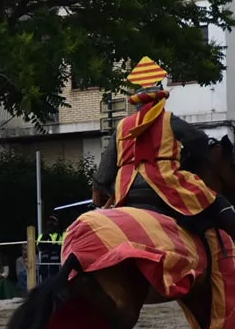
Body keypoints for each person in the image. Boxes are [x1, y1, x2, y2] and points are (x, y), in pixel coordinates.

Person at [93, 78, 235, 241]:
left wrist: (104, 188)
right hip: (165, 184)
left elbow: (104, 171)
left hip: (126, 192)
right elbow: (200, 140)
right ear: (160, 99)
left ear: (137, 103)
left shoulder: (122, 126)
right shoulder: (168, 119)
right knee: (217, 202)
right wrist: (181, 159)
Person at [36, 215, 64, 284]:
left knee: (55, 283)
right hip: (45, 264)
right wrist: (46, 235)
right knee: (44, 283)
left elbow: (62, 248)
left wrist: (50, 247)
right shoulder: (42, 235)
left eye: (53, 222)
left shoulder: (61, 235)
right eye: (49, 222)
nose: (51, 224)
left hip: (56, 265)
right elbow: (40, 247)